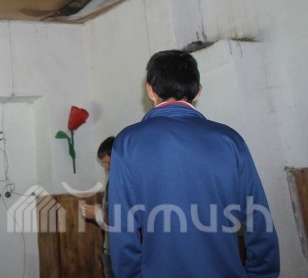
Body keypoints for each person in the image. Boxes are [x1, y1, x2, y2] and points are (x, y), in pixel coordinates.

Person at [108, 50, 280, 277]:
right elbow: (258, 219)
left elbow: (123, 231)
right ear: (198, 91)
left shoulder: (127, 144)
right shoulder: (230, 140)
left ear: (150, 90)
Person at [81, 136, 115, 278]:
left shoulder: (125, 183)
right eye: (104, 164)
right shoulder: (112, 182)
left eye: (108, 162)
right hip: (110, 250)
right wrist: (99, 211)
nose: (106, 168)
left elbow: (121, 222)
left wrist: (98, 214)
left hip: (121, 252)